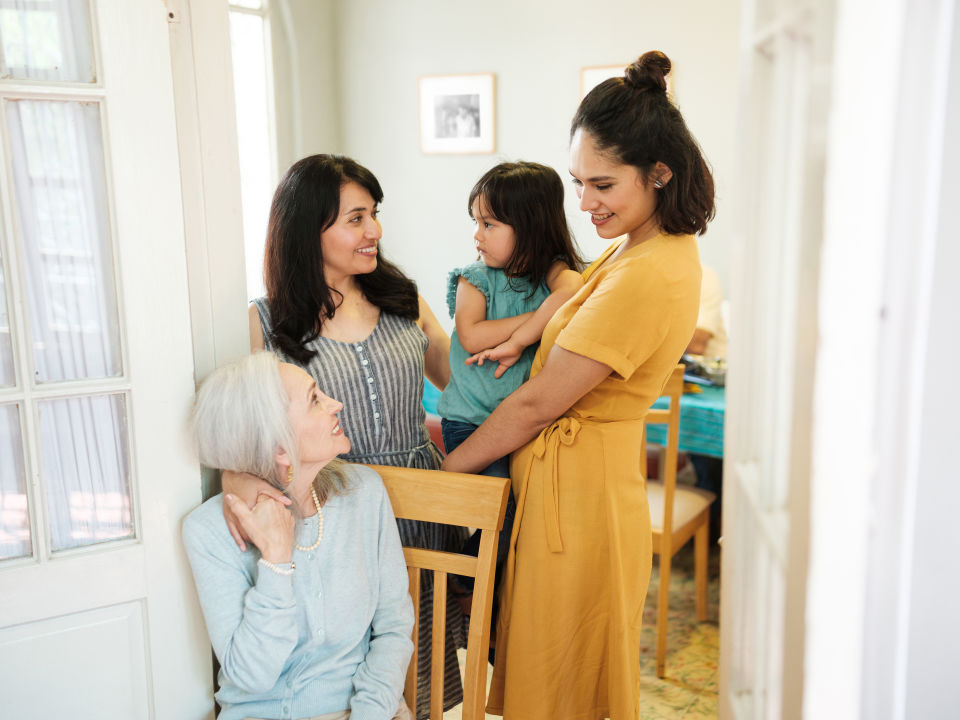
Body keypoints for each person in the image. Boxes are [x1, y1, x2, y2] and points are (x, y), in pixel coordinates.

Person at [441, 50, 715, 720]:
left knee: (563, 678)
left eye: (603, 185)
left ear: (659, 175)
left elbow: (538, 403)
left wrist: (449, 473)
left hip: (581, 498)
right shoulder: (639, 247)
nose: (585, 203)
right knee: (555, 668)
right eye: (578, 183)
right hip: (575, 485)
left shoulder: (649, 270)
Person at [227, 154, 465, 718]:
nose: (374, 231)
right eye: (355, 219)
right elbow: (247, 436)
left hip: (425, 503)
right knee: (351, 663)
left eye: (374, 214)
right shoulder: (266, 324)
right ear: (309, 230)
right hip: (338, 515)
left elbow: (460, 383)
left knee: (420, 664)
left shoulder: (402, 299)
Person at [182, 351, 414, 720]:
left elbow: (394, 629)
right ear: (279, 449)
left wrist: (369, 714)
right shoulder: (208, 532)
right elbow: (251, 676)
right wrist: (275, 560)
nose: (336, 404)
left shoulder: (365, 493)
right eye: (314, 400)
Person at [437, 161, 583, 610]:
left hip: (522, 427)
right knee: (501, 515)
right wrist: (539, 323)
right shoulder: (474, 280)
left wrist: (521, 338)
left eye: (489, 224)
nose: (477, 235)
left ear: (531, 227)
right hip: (473, 423)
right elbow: (473, 336)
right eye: (476, 223)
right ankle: (455, 581)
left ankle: (491, 601)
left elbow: (574, 288)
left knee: (526, 525)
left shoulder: (554, 275)